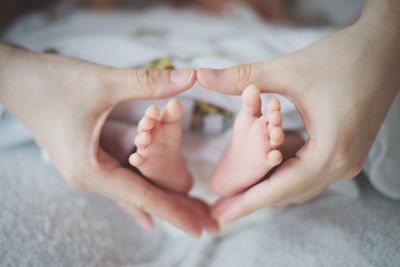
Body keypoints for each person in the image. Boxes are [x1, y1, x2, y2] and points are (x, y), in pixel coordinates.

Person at [0, 0, 399, 236]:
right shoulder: (82, 16)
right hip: (90, 100)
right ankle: (248, 159)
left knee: (306, 112)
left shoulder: (265, 23)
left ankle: (170, 162)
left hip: (138, 103)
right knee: (279, 122)